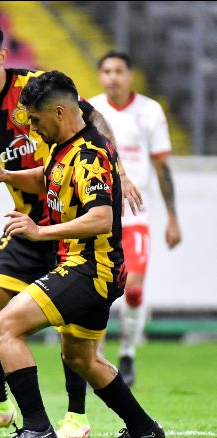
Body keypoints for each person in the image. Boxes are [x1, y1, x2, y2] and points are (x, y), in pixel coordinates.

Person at [0, 18, 142, 438]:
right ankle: (3, 409)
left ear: (1, 55)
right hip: (30, 225)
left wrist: (119, 172)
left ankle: (63, 420)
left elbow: (92, 130)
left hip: (70, 237)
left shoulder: (43, 94)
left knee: (47, 334)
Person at [0, 70, 165, 438]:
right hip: (97, 270)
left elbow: (102, 218)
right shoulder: (67, 147)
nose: (31, 127)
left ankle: (36, 428)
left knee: (3, 327)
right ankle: (144, 429)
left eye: (35, 118)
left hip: (89, 269)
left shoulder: (90, 154)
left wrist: (38, 231)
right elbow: (50, 178)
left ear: (60, 112)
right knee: (81, 356)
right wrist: (7, 175)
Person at [89, 51, 182, 386]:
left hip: (137, 215)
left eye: (119, 71)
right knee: (97, 288)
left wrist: (172, 217)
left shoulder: (150, 111)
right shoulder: (91, 109)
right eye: (107, 71)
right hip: (100, 213)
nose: (113, 77)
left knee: (134, 290)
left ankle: (127, 353)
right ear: (100, 76)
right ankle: (93, 358)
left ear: (130, 75)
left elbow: (162, 166)